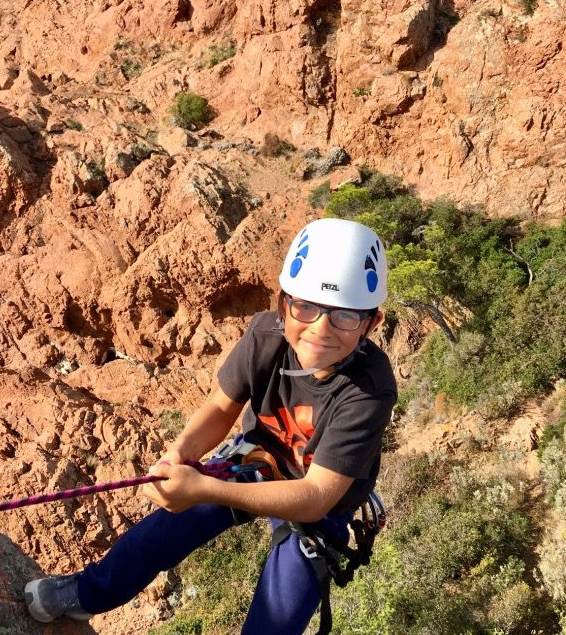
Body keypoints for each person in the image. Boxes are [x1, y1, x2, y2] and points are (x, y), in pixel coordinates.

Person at [25, 218, 397, 634]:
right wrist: (181, 452)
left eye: (344, 316)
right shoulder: (267, 336)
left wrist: (205, 488)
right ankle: (87, 593)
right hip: (259, 456)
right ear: (282, 303)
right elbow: (221, 408)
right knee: (163, 532)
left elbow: (312, 497)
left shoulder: (370, 390)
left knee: (277, 622)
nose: (320, 328)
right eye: (305, 307)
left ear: (371, 324)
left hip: (322, 495)